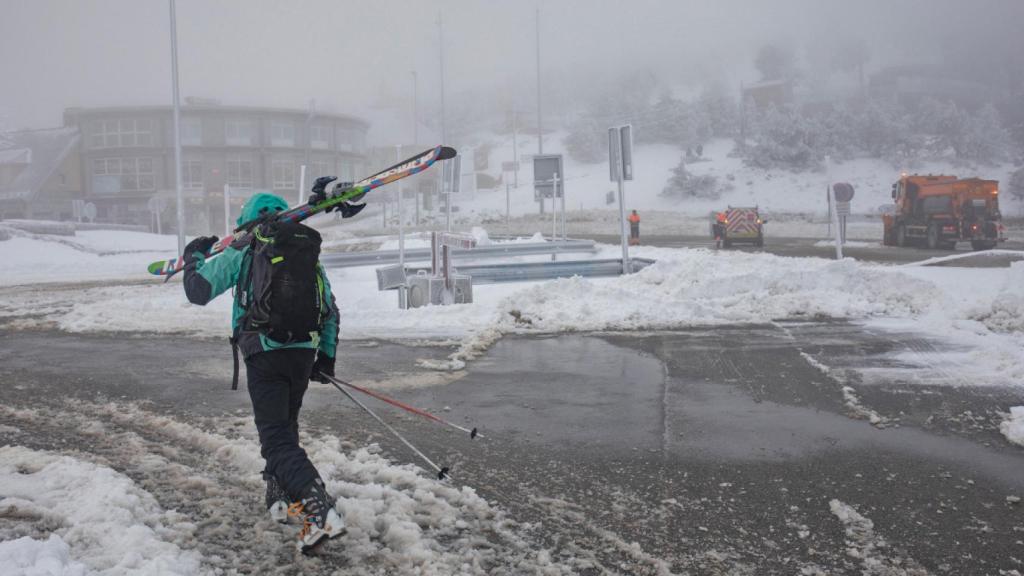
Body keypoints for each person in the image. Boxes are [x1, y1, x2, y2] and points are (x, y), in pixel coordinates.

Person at [181, 186, 345, 553]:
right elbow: (330, 308)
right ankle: (285, 498)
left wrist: (192, 258)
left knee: (276, 440)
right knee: (285, 431)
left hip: (265, 353)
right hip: (303, 353)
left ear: (244, 223)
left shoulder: (246, 246)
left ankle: (320, 507)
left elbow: (198, 290)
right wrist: (325, 359)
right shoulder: (305, 253)